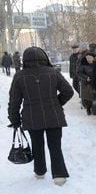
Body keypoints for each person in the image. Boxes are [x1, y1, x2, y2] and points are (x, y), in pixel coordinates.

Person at [7, 47, 74, 186]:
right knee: (55, 146)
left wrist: (14, 119)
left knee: (37, 145)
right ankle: (59, 175)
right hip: (54, 115)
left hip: (31, 116)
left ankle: (40, 171)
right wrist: (57, 102)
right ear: (44, 57)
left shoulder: (20, 75)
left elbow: (14, 100)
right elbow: (68, 91)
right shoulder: (53, 72)